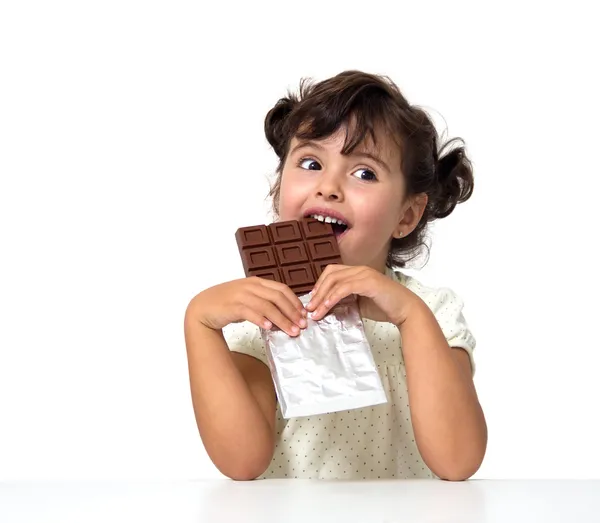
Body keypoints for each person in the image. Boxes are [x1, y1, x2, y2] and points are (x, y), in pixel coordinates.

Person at [184, 70, 487, 481]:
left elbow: (458, 461)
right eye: (310, 163)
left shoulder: (431, 311)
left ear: (407, 214)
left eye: (365, 173)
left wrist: (410, 318)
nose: (328, 187)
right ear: (278, 191)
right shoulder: (260, 318)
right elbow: (242, 463)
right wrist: (200, 323)